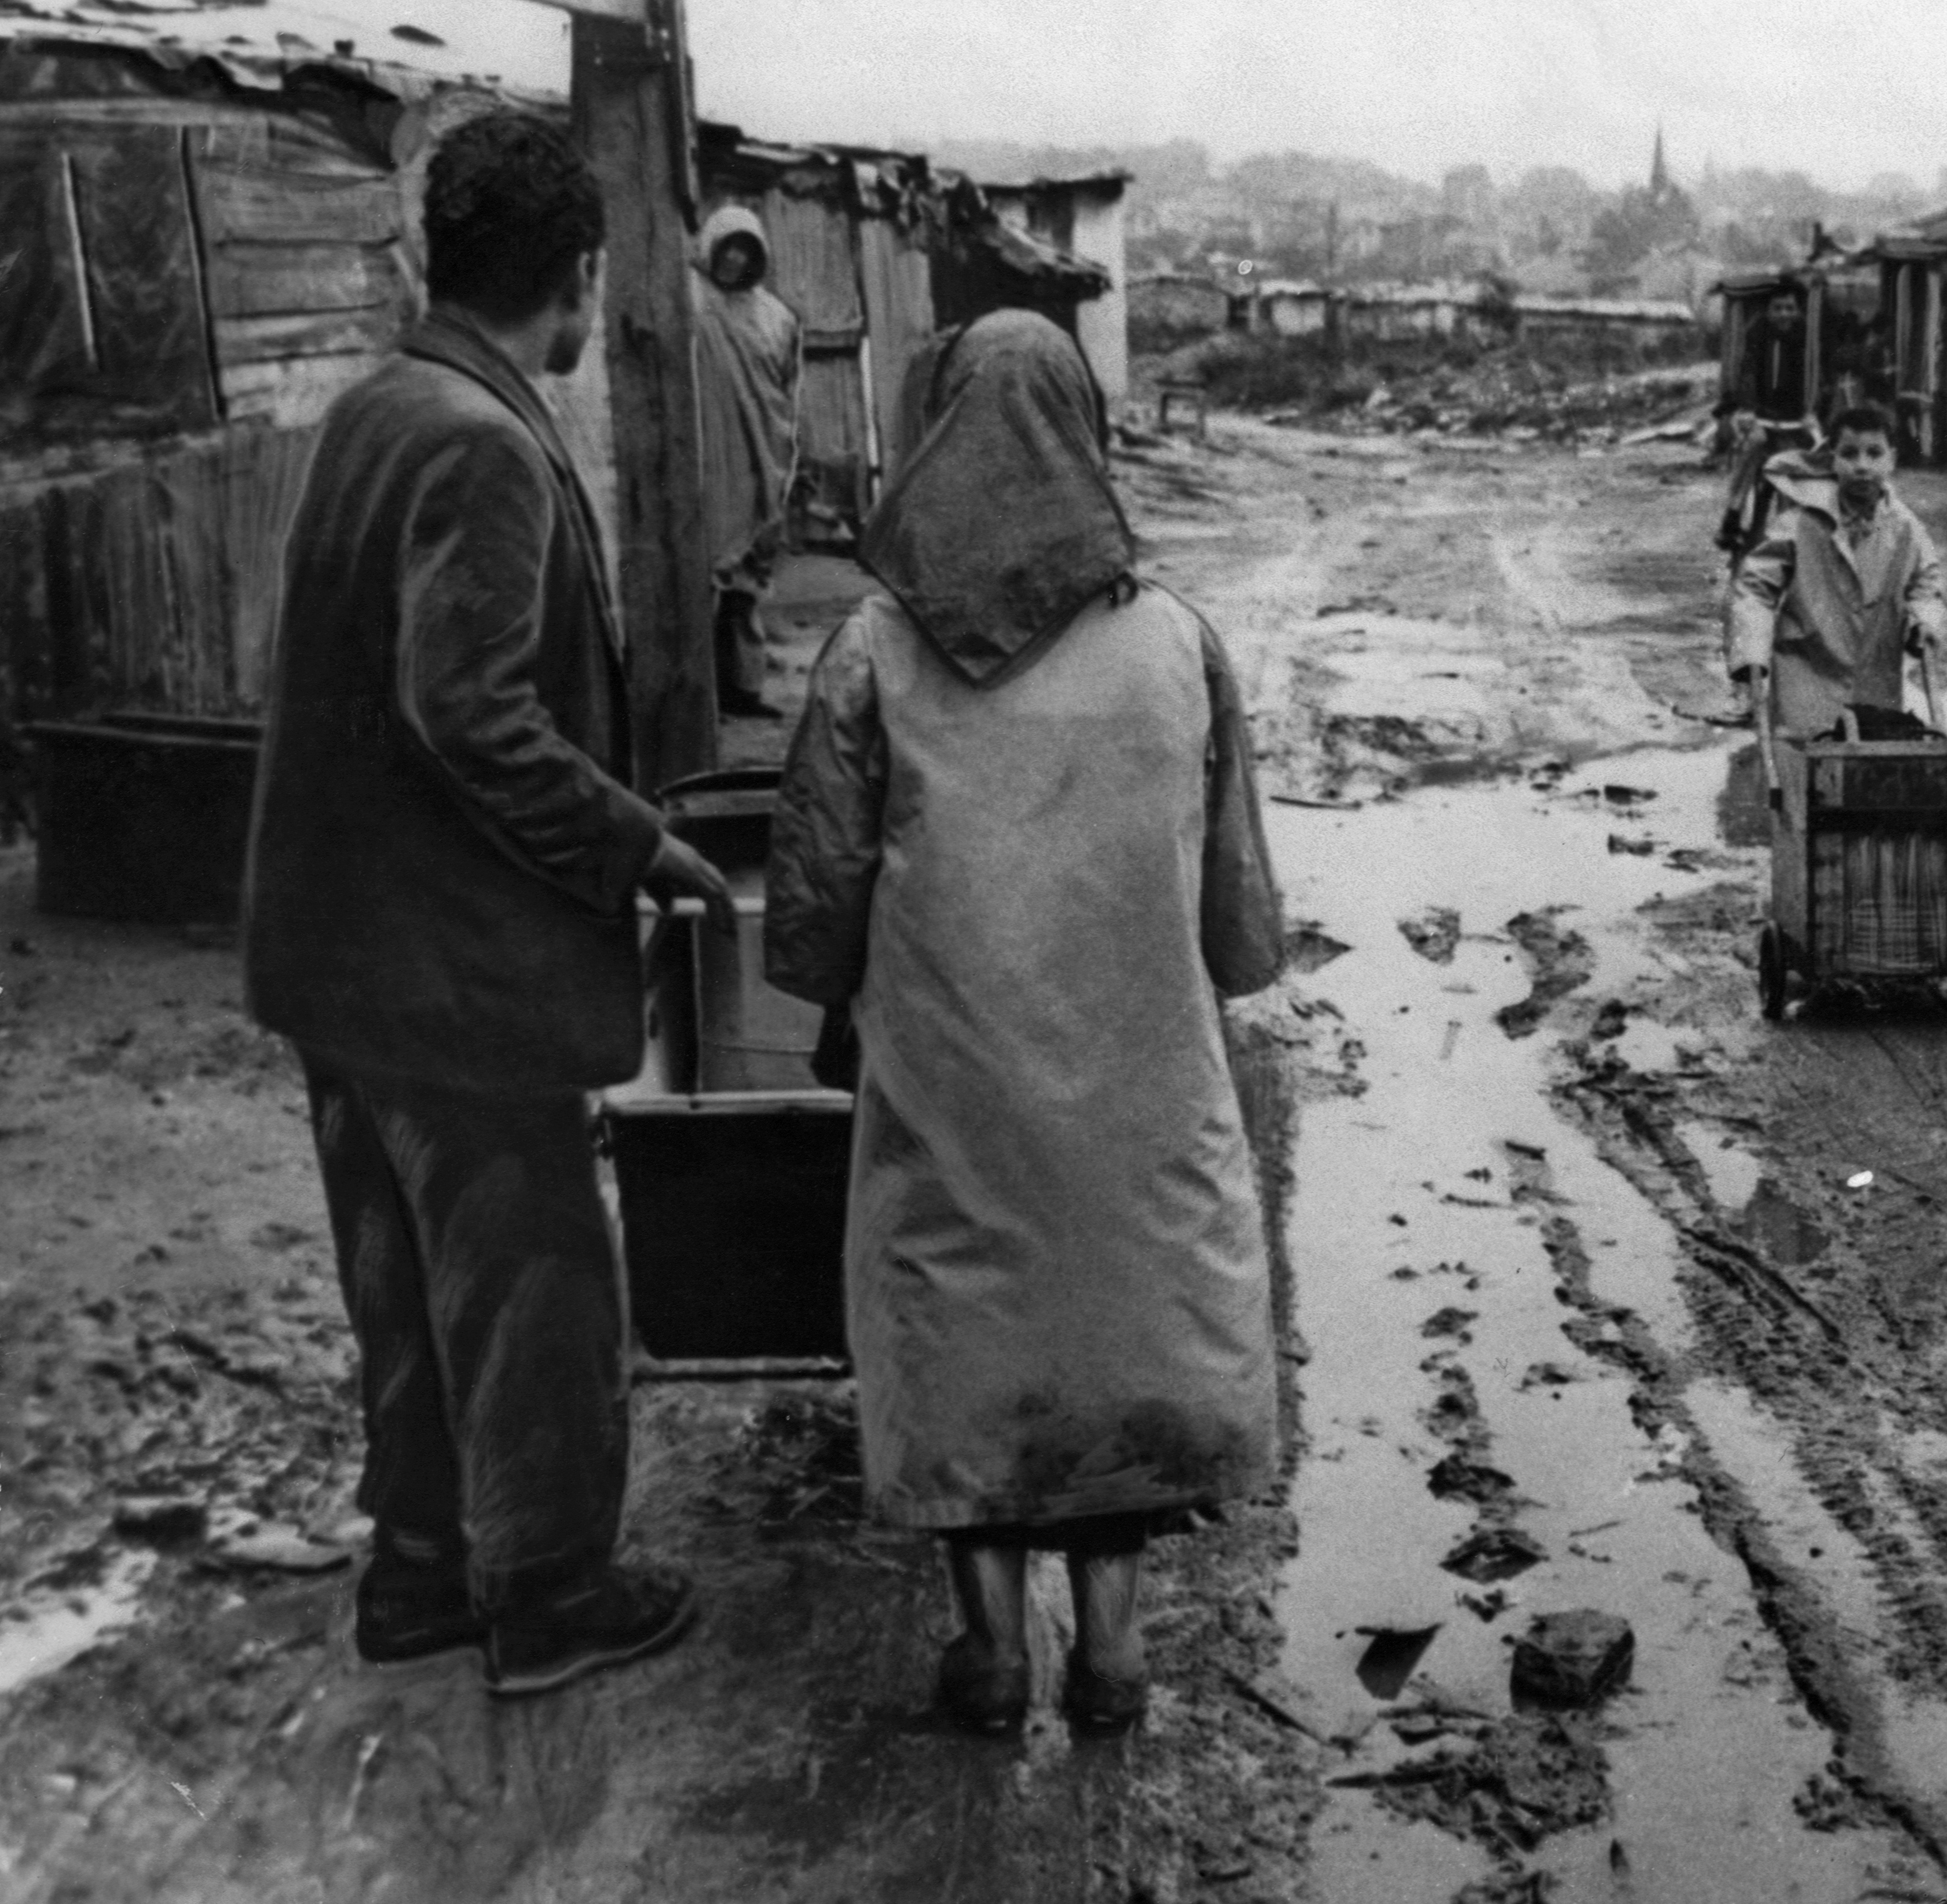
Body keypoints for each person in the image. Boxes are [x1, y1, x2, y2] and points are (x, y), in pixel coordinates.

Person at [241, 112, 729, 1697]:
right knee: (531, 1279)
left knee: (400, 1279)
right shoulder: (481, 440)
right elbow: (471, 710)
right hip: (446, 969)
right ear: (579, 275)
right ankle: (548, 1593)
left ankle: (422, 1578)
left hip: (341, 960)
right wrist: (632, 840)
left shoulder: (382, 401)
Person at [764, 309, 1284, 1737]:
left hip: (948, 1079)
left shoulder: (874, 648)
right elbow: (1236, 908)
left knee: (964, 1335)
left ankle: (987, 1641)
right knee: (1118, 1331)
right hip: (1136, 1077)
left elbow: (814, 886)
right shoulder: (1177, 642)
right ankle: (1111, 1646)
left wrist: (830, 1001)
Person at [1723, 401, 1947, 742]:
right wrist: (1752, 647)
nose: (1862, 466)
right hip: (1805, 677)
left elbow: (1926, 584)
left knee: (1867, 775)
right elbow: (1755, 587)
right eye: (1850, 454)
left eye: (1874, 454)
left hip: (1875, 683)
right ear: (1832, 458)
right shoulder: (1800, 523)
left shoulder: (1906, 529)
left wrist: (1924, 621)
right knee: (1804, 774)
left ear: (1892, 459)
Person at [694, 206, 804, 719]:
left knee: (746, 583)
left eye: (747, 248)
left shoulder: (777, 317)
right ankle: (699, 693)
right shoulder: (690, 301)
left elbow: (785, 391)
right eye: (727, 245)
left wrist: (781, 455)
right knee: (704, 576)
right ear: (710, 245)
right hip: (710, 456)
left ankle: (743, 687)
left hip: (760, 456)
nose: (735, 256)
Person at [1716, 286, 1819, 558]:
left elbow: (1818, 376)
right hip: (1761, 413)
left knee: (1813, 459)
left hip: (1794, 418)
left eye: (1790, 308)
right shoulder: (1757, 334)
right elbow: (1748, 371)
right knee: (1754, 444)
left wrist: (1813, 410)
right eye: (1778, 308)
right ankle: (1733, 512)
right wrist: (1748, 409)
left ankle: (1812, 527)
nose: (1784, 314)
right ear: (1768, 311)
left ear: (1798, 311)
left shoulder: (1808, 338)